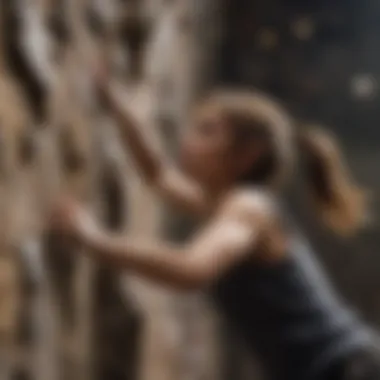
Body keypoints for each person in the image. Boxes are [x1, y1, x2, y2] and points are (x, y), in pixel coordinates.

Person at [51, 74, 380, 380]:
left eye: (207, 131)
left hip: (347, 368)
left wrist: (93, 239)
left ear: (247, 155)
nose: (189, 140)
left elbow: (191, 269)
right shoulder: (226, 206)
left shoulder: (250, 207)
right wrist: (118, 107)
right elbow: (158, 174)